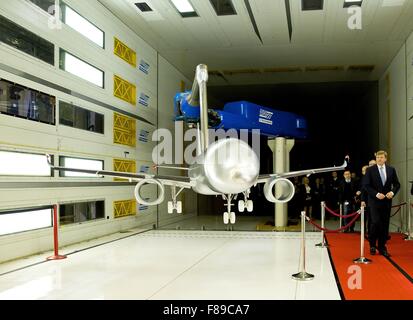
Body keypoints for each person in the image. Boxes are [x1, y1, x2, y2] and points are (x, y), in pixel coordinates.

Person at [363, 151, 400, 257]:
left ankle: (382, 247)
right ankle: (372, 245)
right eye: (377, 157)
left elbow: (397, 184)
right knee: (375, 223)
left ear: (385, 159)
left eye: (381, 157)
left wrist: (392, 192)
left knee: (384, 225)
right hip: (374, 202)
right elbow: (366, 185)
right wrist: (376, 194)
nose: (379, 159)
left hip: (386, 202)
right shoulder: (370, 170)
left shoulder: (391, 170)